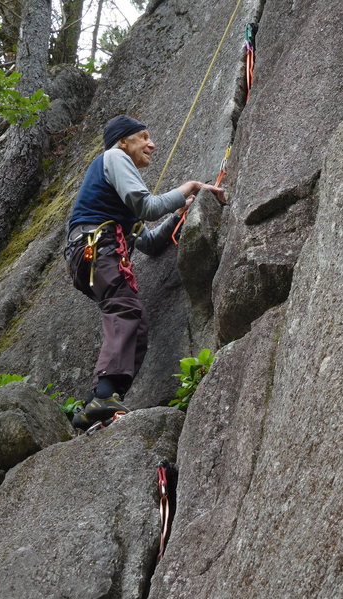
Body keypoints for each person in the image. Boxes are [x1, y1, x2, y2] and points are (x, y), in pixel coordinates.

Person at [65, 114, 225, 430]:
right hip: (97, 245)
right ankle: (104, 394)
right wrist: (189, 188)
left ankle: (97, 402)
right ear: (123, 141)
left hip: (90, 252)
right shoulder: (114, 156)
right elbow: (148, 206)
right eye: (144, 137)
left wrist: (178, 214)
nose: (152, 144)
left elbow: (149, 242)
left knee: (135, 322)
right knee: (125, 310)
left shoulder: (116, 199)